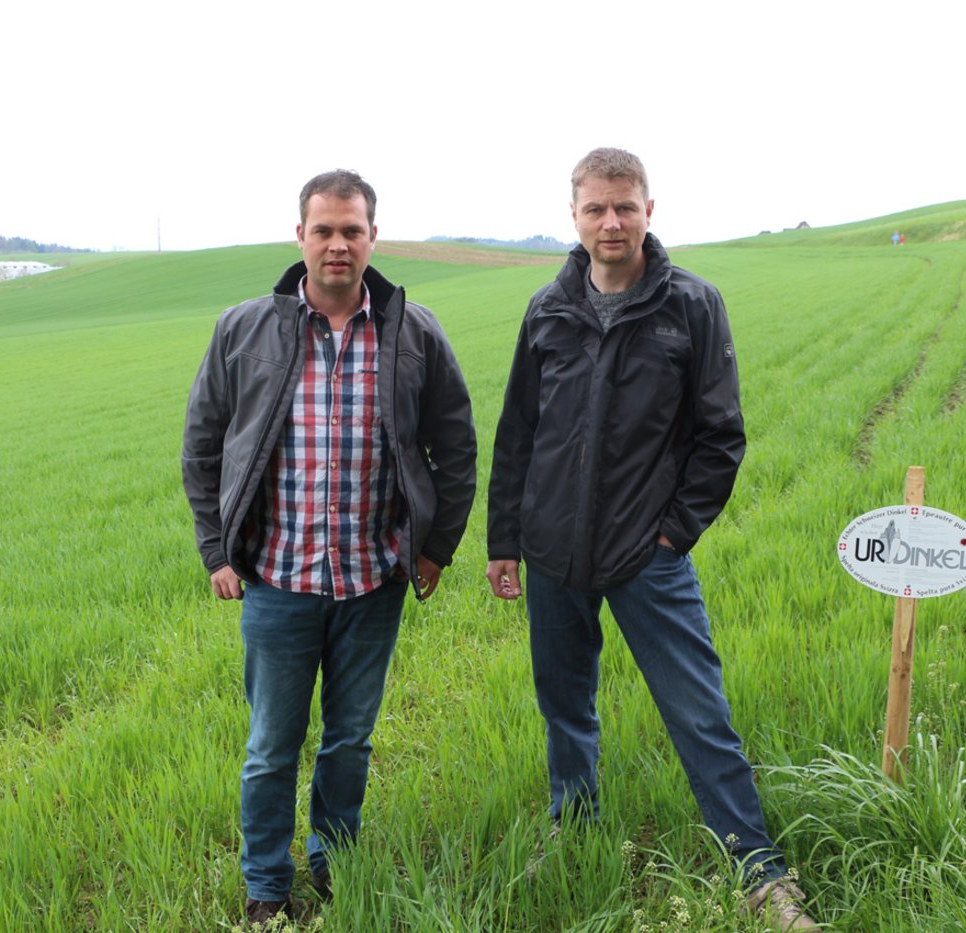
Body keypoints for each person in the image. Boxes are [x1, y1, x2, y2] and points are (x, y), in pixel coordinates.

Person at [486, 148, 818, 930]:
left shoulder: (690, 306)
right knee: (565, 704)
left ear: (649, 209)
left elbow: (720, 438)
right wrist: (506, 537)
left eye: (624, 207)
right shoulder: (547, 310)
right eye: (597, 208)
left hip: (647, 558)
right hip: (553, 553)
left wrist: (672, 536)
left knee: (697, 710)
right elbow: (518, 434)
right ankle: (573, 828)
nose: (611, 222)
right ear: (573, 214)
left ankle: (760, 870)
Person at [182, 169, 476, 925]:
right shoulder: (244, 328)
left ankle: (334, 865)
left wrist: (436, 546)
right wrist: (217, 551)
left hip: (373, 580)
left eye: (352, 229)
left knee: (349, 741)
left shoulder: (414, 331)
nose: (338, 243)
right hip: (278, 580)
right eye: (324, 229)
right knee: (272, 746)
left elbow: (457, 445)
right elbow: (203, 445)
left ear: (373, 237)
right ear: (301, 236)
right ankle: (266, 889)